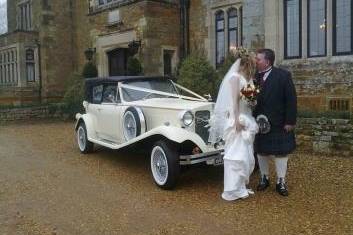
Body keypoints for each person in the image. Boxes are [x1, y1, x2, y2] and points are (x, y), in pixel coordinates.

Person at [209, 54, 259, 201]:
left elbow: (248, 100)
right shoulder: (235, 77)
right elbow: (234, 101)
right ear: (244, 65)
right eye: (250, 66)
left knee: (246, 154)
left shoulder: (248, 80)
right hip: (237, 118)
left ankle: (240, 186)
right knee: (235, 155)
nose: (252, 69)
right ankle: (231, 189)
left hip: (247, 116)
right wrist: (236, 120)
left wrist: (252, 101)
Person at [253, 48, 297, 196]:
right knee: (261, 151)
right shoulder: (253, 77)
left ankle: (281, 181)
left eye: (258, 59)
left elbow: (291, 100)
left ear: (267, 61)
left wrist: (290, 121)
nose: (256, 61)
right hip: (259, 122)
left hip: (279, 122)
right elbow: (248, 98)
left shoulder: (283, 76)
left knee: (281, 153)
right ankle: (264, 178)